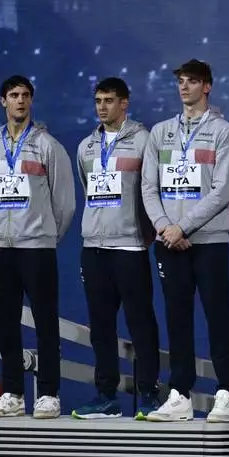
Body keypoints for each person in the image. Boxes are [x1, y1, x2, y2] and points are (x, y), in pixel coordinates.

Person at [141, 59, 229, 423]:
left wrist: (182, 226)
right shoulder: (159, 132)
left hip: (209, 240)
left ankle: (225, 393)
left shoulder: (224, 132)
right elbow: (148, 187)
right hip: (169, 241)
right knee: (177, 319)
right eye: (181, 81)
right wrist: (166, 226)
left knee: (217, 317)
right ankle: (180, 394)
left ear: (207, 86)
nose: (185, 87)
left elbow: (222, 191)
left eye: (192, 81)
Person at [0, 75, 76, 419]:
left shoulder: (49, 146)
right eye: (14, 95)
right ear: (2, 101)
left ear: (32, 101)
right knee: (5, 322)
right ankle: (12, 393)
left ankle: (49, 393)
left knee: (46, 321)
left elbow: (64, 203)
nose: (20, 101)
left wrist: (46, 235)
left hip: (36, 247)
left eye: (26, 95)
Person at [71, 78, 163, 420]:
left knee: (141, 323)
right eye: (98, 100)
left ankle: (150, 393)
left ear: (125, 103)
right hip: (93, 247)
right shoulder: (86, 147)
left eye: (109, 100)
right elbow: (88, 190)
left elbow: (151, 189)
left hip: (130, 246)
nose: (102, 107)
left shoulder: (144, 141)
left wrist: (144, 231)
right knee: (101, 326)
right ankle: (106, 396)